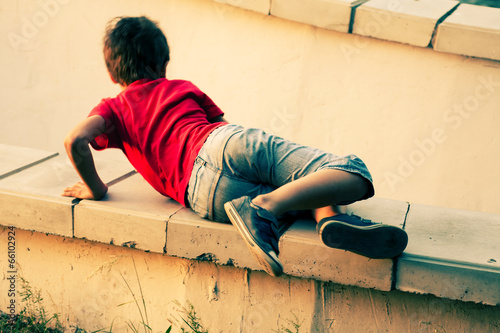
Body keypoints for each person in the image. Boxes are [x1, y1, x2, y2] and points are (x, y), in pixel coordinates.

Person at [62, 16, 408, 277]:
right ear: (162, 63)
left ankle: (328, 219)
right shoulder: (181, 88)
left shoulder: (114, 108)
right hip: (219, 143)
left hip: (204, 196)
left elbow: (75, 139)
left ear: (113, 72)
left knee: (304, 188)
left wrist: (96, 189)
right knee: (351, 171)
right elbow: (223, 130)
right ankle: (265, 208)